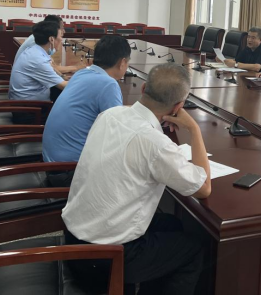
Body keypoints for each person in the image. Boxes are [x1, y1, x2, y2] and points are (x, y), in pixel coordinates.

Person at [62, 63, 211, 295]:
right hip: (105, 258)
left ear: (143, 88)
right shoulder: (155, 143)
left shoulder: (109, 115)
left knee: (172, 225)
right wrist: (194, 129)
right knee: (192, 250)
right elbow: (203, 188)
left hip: (73, 239)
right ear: (178, 107)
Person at [42, 35, 132, 187]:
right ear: (122, 62)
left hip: (52, 163)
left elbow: (111, 112)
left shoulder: (82, 73)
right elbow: (118, 131)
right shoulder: (108, 84)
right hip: (69, 171)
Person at [9, 20, 68, 104]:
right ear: (51, 39)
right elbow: (63, 86)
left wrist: (62, 76)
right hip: (29, 108)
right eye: (60, 36)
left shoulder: (34, 50)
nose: (61, 40)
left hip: (27, 101)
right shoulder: (38, 60)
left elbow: (52, 69)